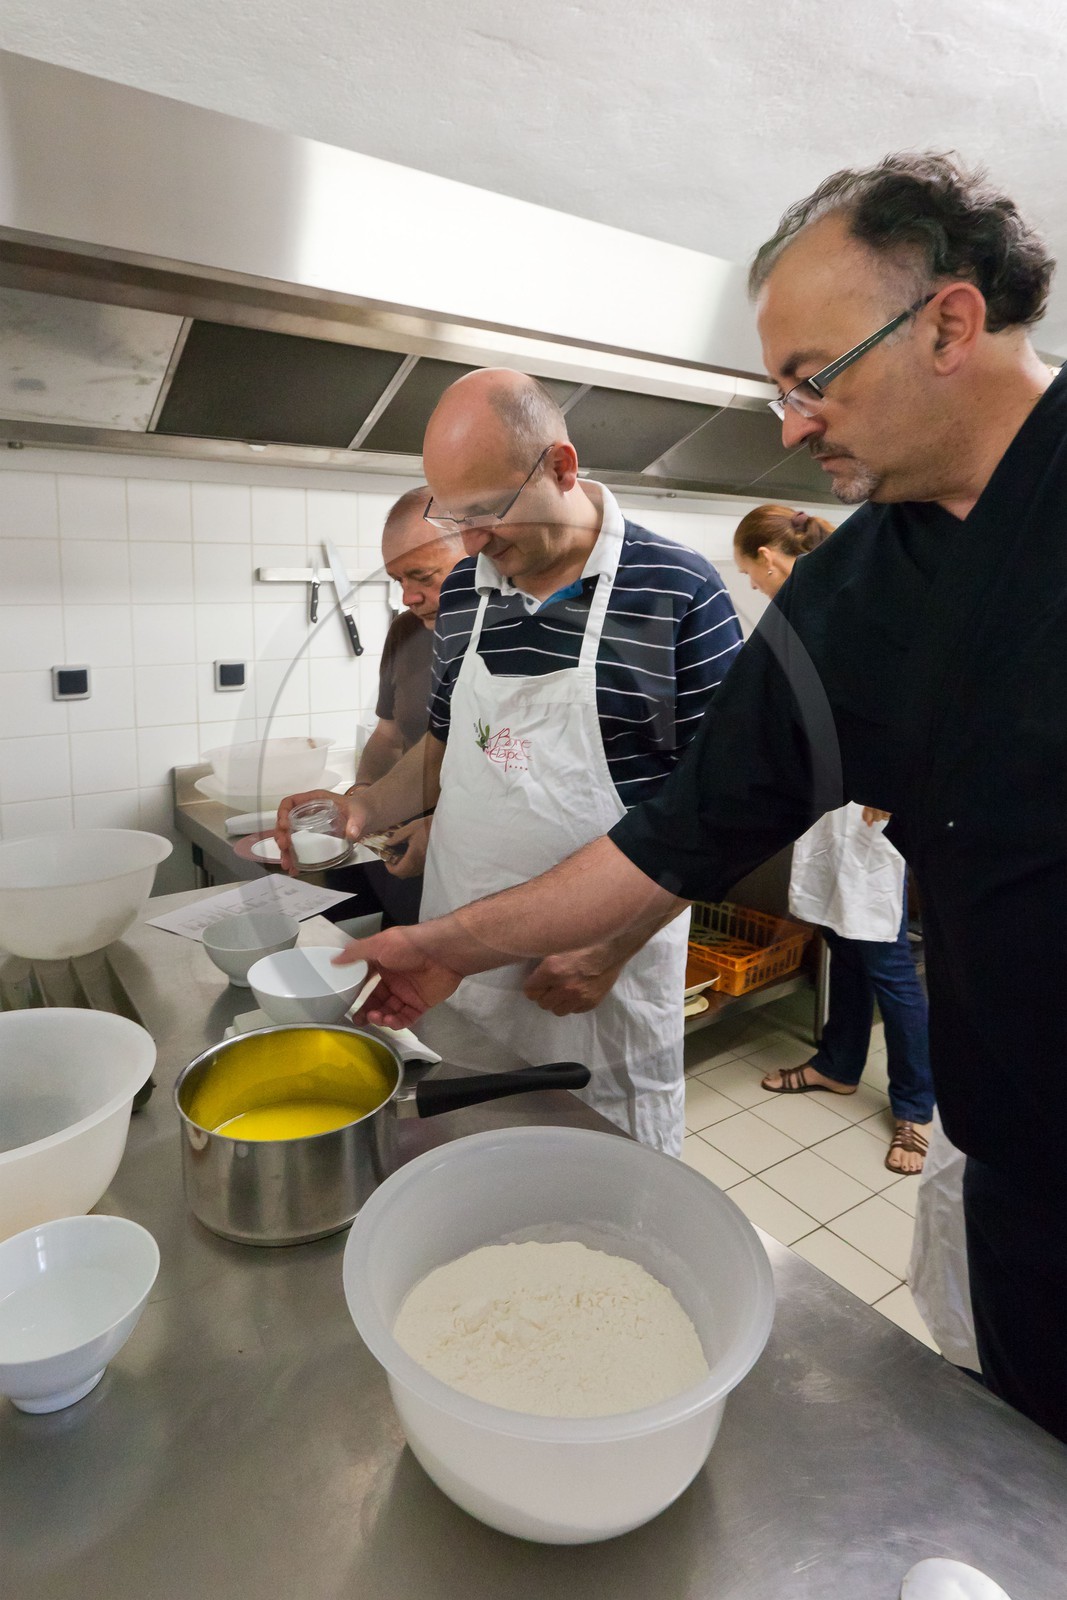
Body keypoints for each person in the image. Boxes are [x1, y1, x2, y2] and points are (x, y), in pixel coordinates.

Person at [335, 154, 1067, 1445]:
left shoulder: (681, 589)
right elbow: (674, 835)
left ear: (948, 324)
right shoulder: (849, 600)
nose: (789, 425)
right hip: (1021, 1157)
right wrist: (446, 943)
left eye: (809, 378)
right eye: (777, 388)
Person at [281, 366, 744, 1154]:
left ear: (561, 467)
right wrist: (363, 807)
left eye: (487, 512)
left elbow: (722, 810)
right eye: (452, 517)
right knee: (475, 1153)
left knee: (600, 1172)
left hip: (595, 977)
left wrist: (612, 945)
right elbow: (445, 744)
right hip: (458, 961)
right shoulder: (466, 589)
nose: (469, 543)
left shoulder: (676, 589)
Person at [733, 503, 935, 1174]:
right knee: (842, 941)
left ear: (770, 559)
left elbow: (913, 691)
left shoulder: (858, 601)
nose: (753, 585)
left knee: (884, 957)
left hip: (872, 807)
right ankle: (837, 1064)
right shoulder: (803, 614)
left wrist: (892, 779)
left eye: (751, 573)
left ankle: (915, 1108)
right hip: (829, 802)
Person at [321, 487, 463, 926]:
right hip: (404, 851)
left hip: (475, 859)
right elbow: (388, 737)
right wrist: (364, 794)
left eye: (423, 576)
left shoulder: (509, 636)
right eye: (399, 580)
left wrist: (443, 828)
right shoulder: (406, 632)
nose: (408, 597)